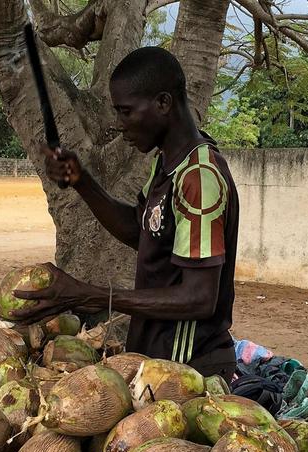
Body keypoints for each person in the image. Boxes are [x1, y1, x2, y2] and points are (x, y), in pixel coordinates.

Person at [12, 47, 240, 382]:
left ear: (163, 103)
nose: (120, 125)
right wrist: (81, 180)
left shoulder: (199, 177)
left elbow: (200, 298)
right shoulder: (168, 165)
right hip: (159, 359)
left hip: (189, 370)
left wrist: (91, 295)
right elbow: (141, 231)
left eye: (126, 112)